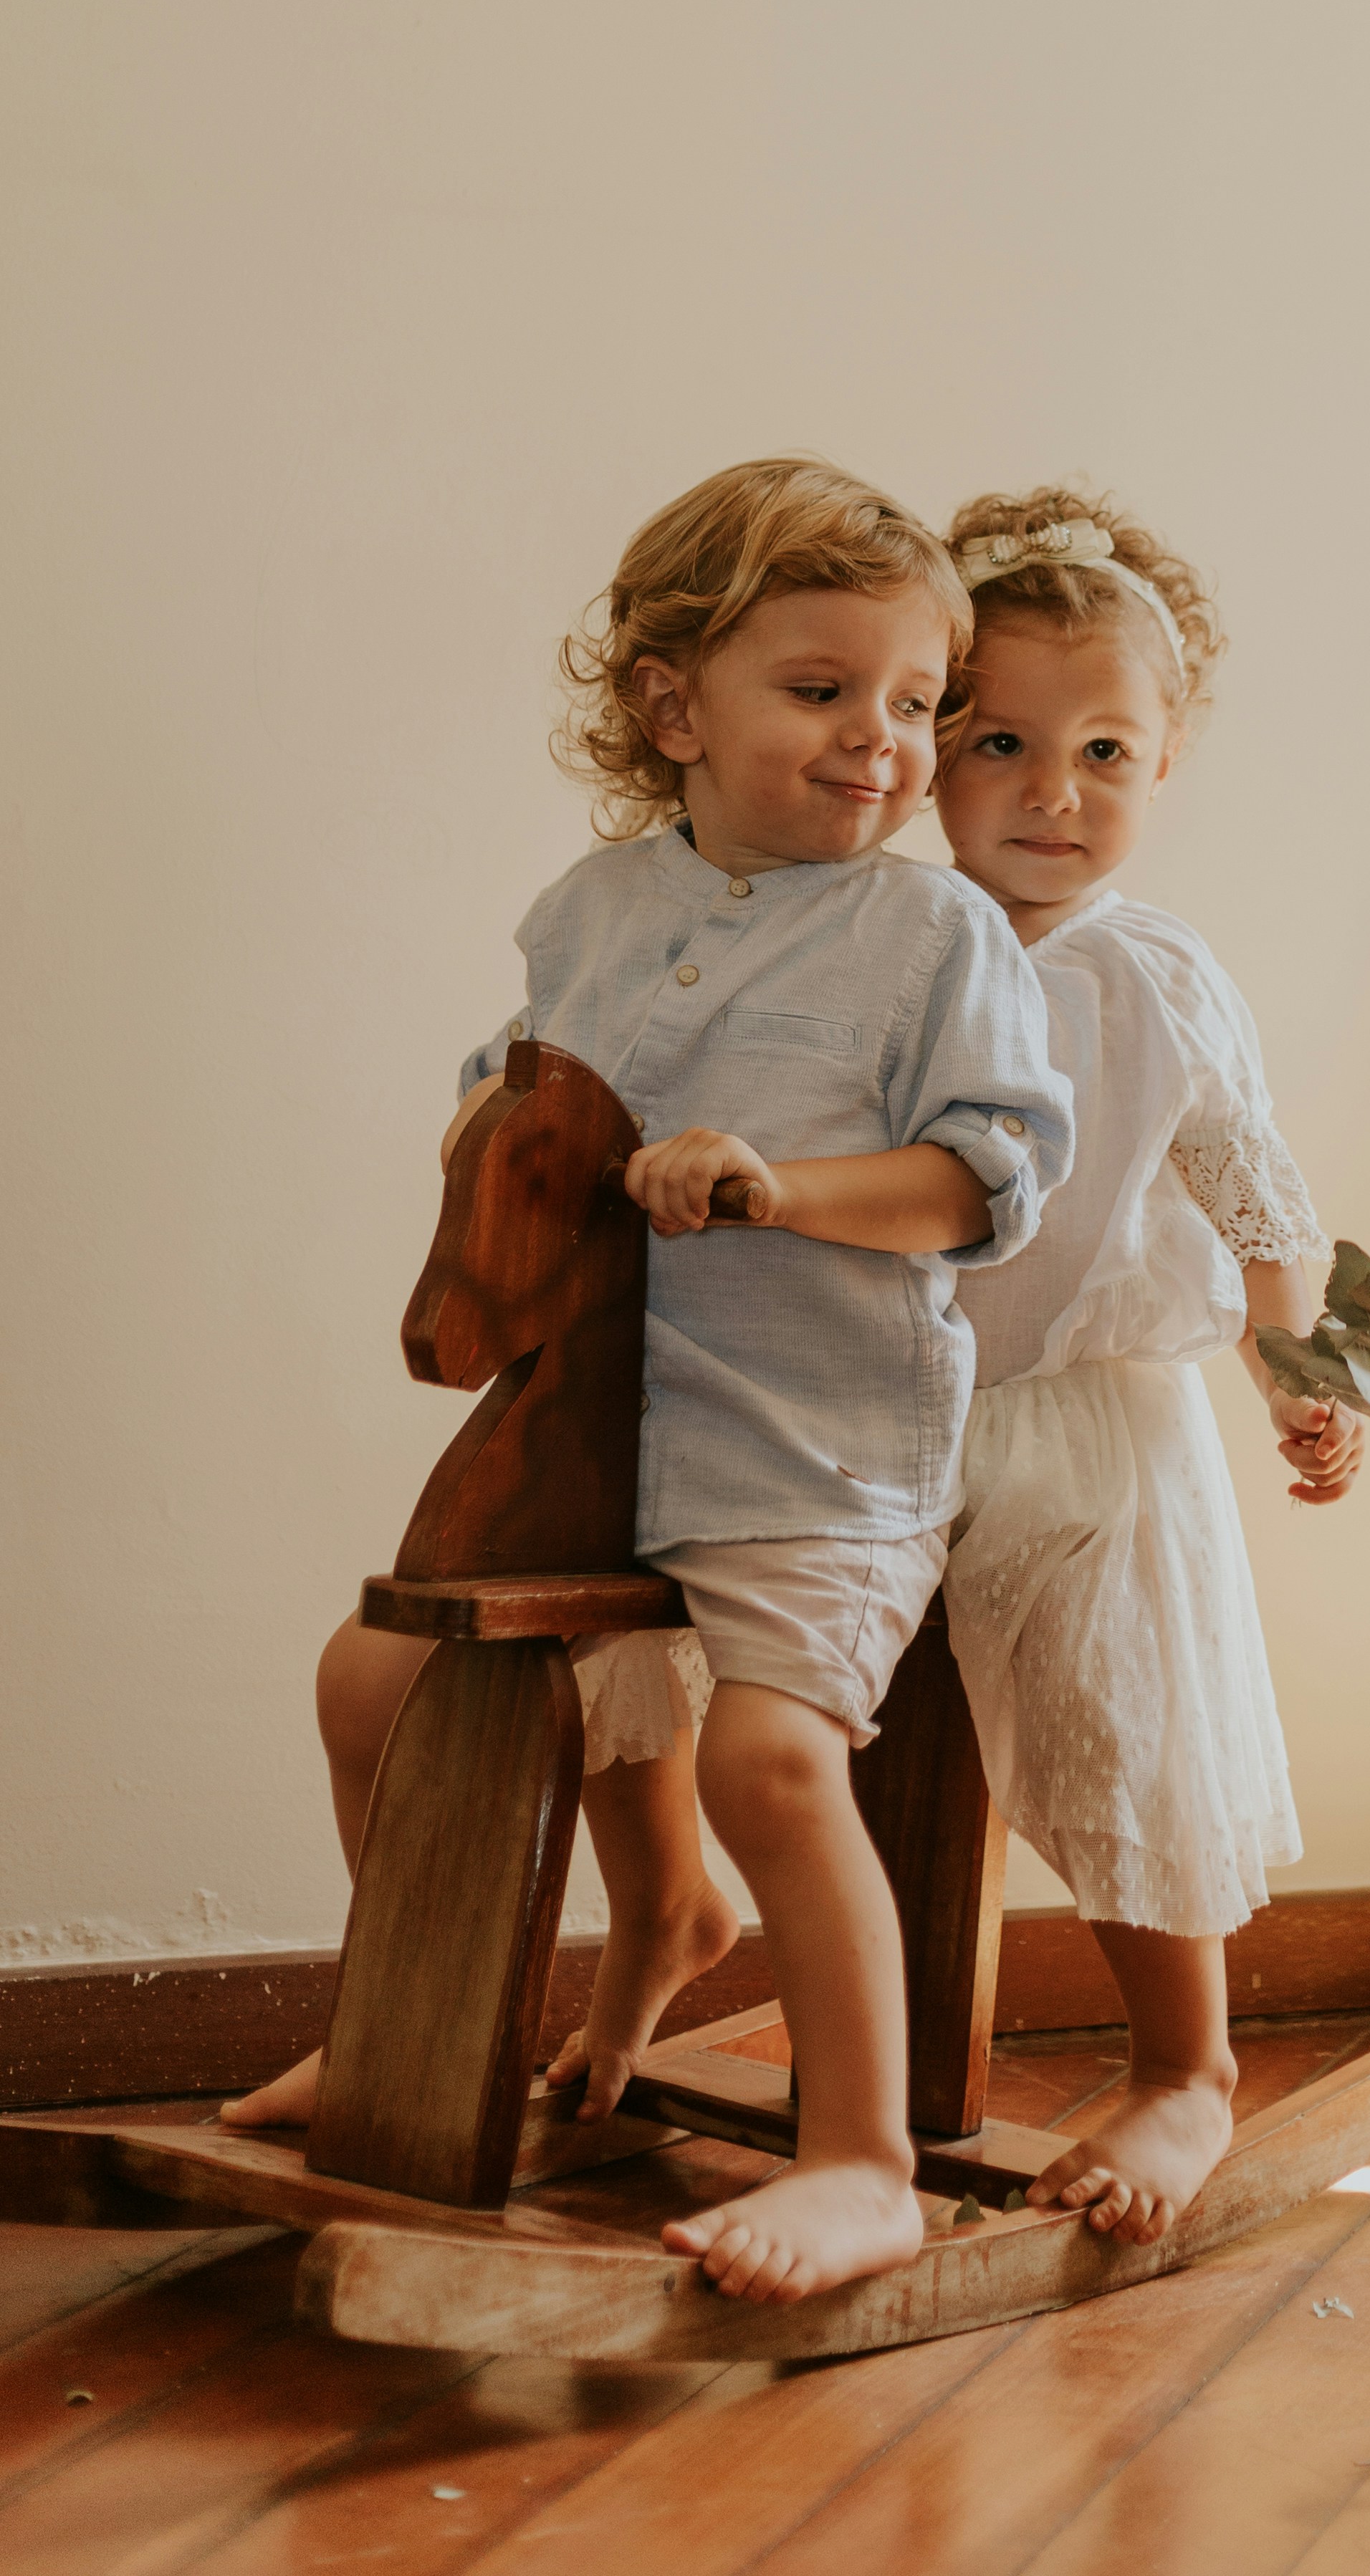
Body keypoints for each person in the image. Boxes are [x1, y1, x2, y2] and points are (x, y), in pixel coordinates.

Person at [224, 455, 1073, 2306]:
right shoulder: (590, 910)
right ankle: (424, 2025)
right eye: (823, 692)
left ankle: (857, 2158)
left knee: (772, 1752)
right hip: (598, 1432)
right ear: (671, 704)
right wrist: (487, 1114)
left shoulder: (931, 938)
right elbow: (523, 1077)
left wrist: (783, 1189)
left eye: (920, 705)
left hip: (812, 1451)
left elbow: (989, 1181)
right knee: (378, 1683)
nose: (883, 745)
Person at [931, 486, 1361, 2246]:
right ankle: (849, 2015)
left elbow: (1257, 1198)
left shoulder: (1146, 973)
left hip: (1089, 1422)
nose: (1057, 791)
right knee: (856, 1724)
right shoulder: (890, 944)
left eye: (1107, 749)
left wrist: (1295, 1376)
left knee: (1119, 1727)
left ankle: (1186, 2064)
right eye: (1005, 742)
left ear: (1167, 761)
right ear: (924, 748)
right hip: (900, 1403)